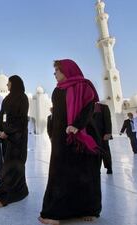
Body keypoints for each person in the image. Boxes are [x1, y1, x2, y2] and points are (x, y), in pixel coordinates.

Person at [39, 59, 102, 225]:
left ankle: (90, 210)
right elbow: (57, 117)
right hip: (62, 139)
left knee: (85, 175)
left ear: (67, 70)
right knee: (59, 174)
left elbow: (88, 108)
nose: (54, 74)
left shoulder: (84, 86)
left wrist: (76, 125)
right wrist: (54, 134)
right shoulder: (57, 91)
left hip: (82, 135)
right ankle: (56, 213)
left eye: (57, 71)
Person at [0, 75, 29, 207]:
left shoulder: (22, 98)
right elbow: (1, 116)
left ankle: (9, 194)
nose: (7, 85)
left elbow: (21, 120)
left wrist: (7, 132)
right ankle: (21, 189)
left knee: (14, 166)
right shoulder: (7, 99)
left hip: (17, 139)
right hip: (6, 138)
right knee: (8, 165)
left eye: (9, 83)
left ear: (15, 84)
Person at [93, 102, 113, 174]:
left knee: (105, 151)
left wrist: (108, 133)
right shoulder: (87, 107)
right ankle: (96, 169)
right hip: (92, 135)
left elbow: (108, 120)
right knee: (94, 152)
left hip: (102, 135)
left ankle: (109, 167)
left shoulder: (103, 107)